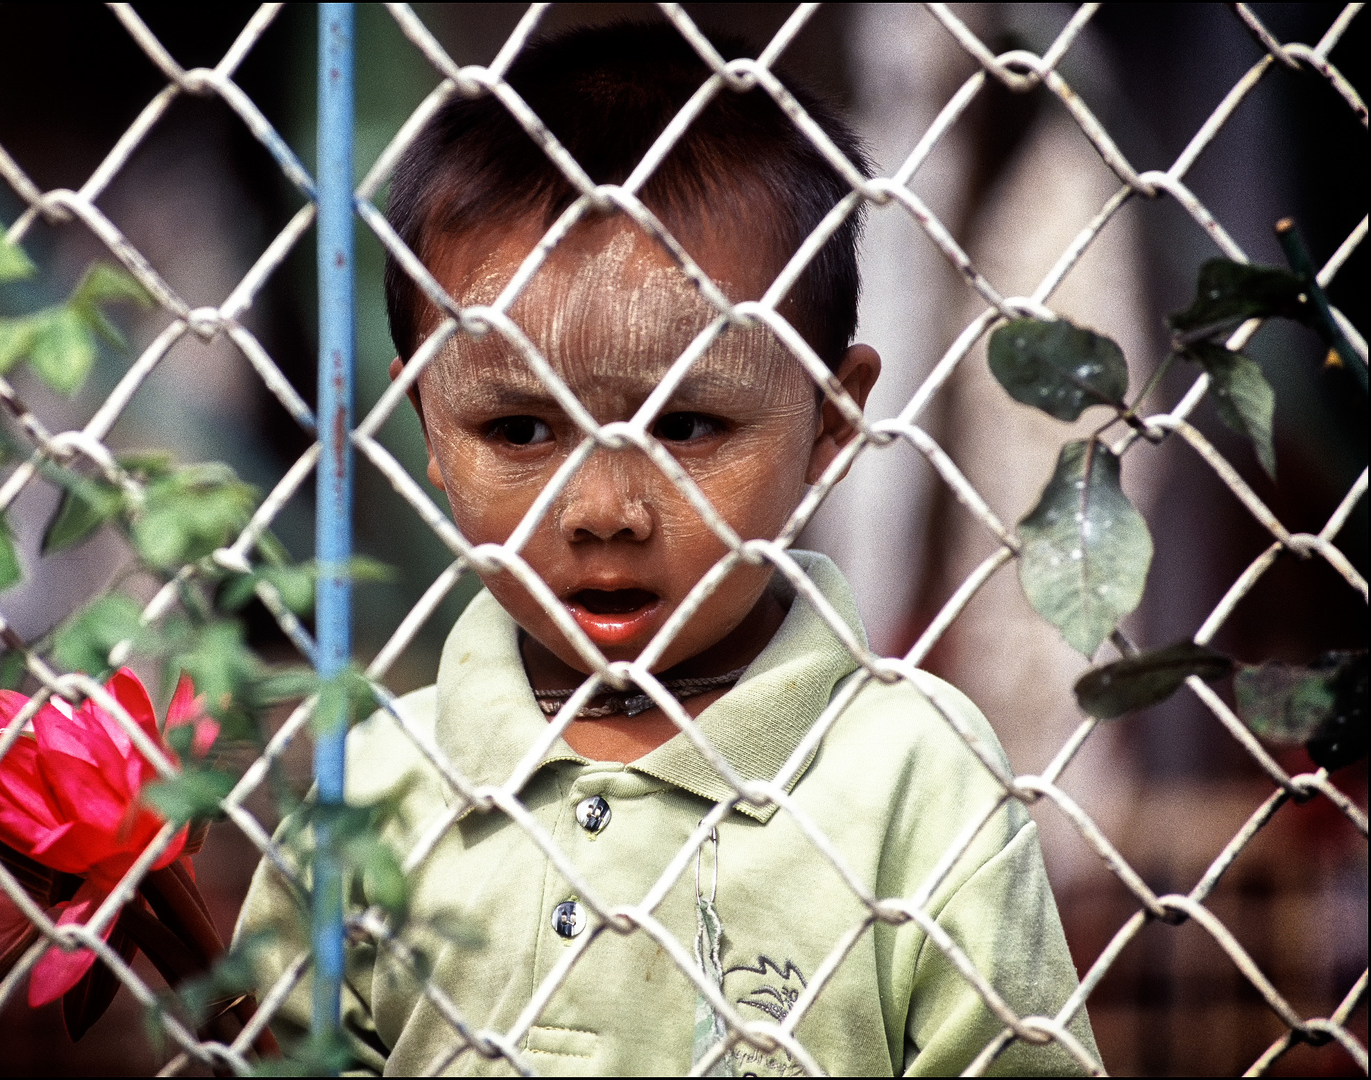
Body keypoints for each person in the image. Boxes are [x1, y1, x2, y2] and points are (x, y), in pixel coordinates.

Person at [237, 21, 1100, 1076]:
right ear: (427, 426)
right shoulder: (367, 785)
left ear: (831, 425)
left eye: (686, 428)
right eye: (518, 430)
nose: (603, 508)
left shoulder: (911, 776)